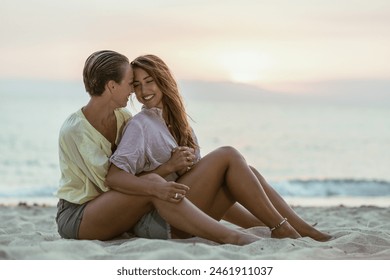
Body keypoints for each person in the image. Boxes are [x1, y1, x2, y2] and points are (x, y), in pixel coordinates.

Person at [108, 54, 332, 241]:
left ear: (163, 80)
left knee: (246, 172)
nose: (143, 90)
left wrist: (257, 222)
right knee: (228, 154)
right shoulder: (140, 125)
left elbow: (212, 187)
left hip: (191, 215)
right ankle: (282, 228)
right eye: (137, 85)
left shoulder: (178, 123)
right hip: (163, 221)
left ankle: (299, 229)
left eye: (149, 81)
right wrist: (168, 167)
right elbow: (116, 177)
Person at [55, 50, 261, 245]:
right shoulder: (76, 131)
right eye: (131, 83)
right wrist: (167, 169)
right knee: (154, 184)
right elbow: (112, 183)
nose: (134, 91)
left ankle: (261, 225)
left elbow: (133, 176)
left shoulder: (122, 117)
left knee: (188, 182)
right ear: (111, 86)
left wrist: (177, 171)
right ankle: (234, 238)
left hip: (119, 208)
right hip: (80, 215)